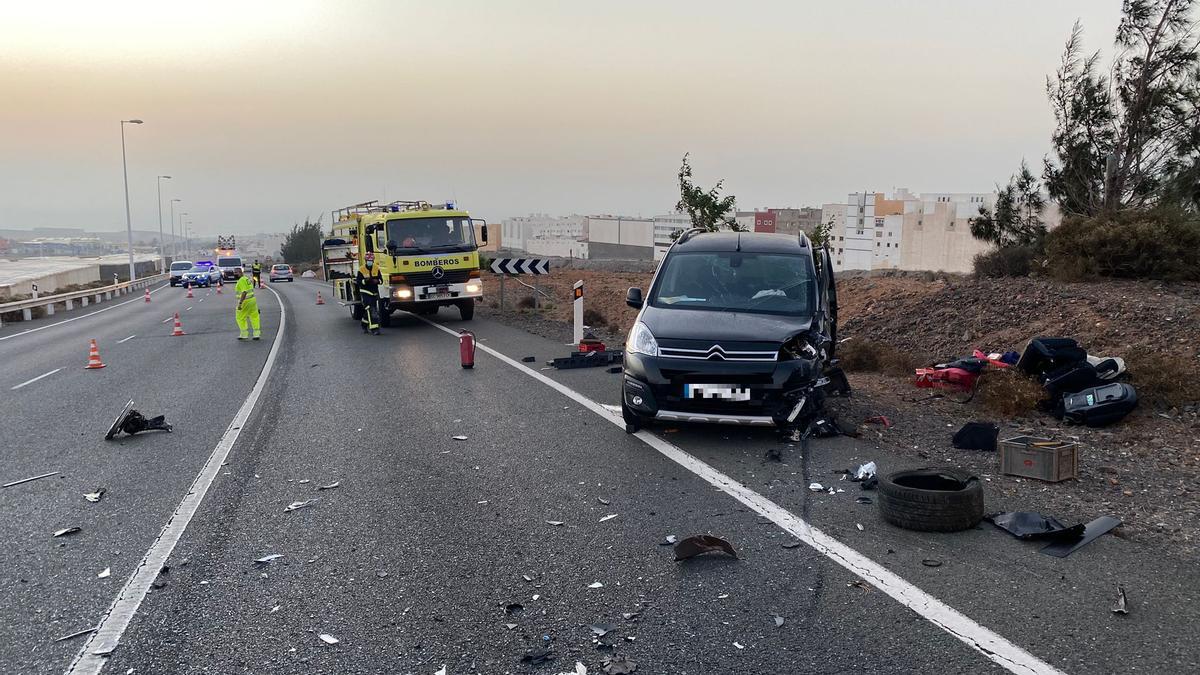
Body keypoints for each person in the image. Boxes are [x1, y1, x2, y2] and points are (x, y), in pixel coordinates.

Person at [356, 253, 383, 335]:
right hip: (365, 292)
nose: (370, 262)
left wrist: (377, 281)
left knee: (369, 310)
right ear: (365, 261)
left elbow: (381, 280)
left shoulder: (376, 268)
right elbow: (359, 282)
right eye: (368, 261)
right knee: (372, 309)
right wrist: (366, 281)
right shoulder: (361, 269)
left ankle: (364, 324)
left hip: (374, 292)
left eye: (371, 260)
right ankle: (374, 329)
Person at [234, 267, 261, 340]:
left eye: (236, 272)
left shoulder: (241, 280)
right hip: (252, 300)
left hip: (245, 301)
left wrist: (240, 303)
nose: (234, 274)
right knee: (254, 316)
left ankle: (244, 334)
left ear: (240, 272)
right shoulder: (246, 279)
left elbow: (244, 292)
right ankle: (256, 334)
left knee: (240, 317)